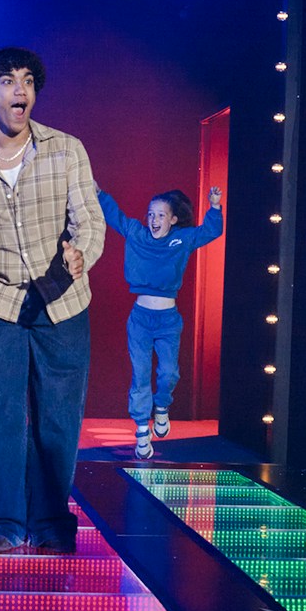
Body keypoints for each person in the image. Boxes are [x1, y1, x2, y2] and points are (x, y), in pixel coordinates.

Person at [0, 47, 104, 555]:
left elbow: (90, 220)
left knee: (58, 418)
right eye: (9, 82)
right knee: (2, 415)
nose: (21, 91)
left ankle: (52, 520)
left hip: (63, 301)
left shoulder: (66, 149)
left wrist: (81, 255)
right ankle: (6, 521)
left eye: (28, 81)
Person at [97, 186, 224, 459]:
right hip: (140, 319)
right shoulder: (137, 233)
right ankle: (142, 430)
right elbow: (114, 216)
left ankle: (162, 406)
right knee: (140, 375)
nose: (154, 220)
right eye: (151, 214)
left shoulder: (182, 239)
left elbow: (210, 232)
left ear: (173, 219)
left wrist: (214, 207)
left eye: (161, 215)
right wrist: (100, 194)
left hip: (168, 320)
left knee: (169, 373)